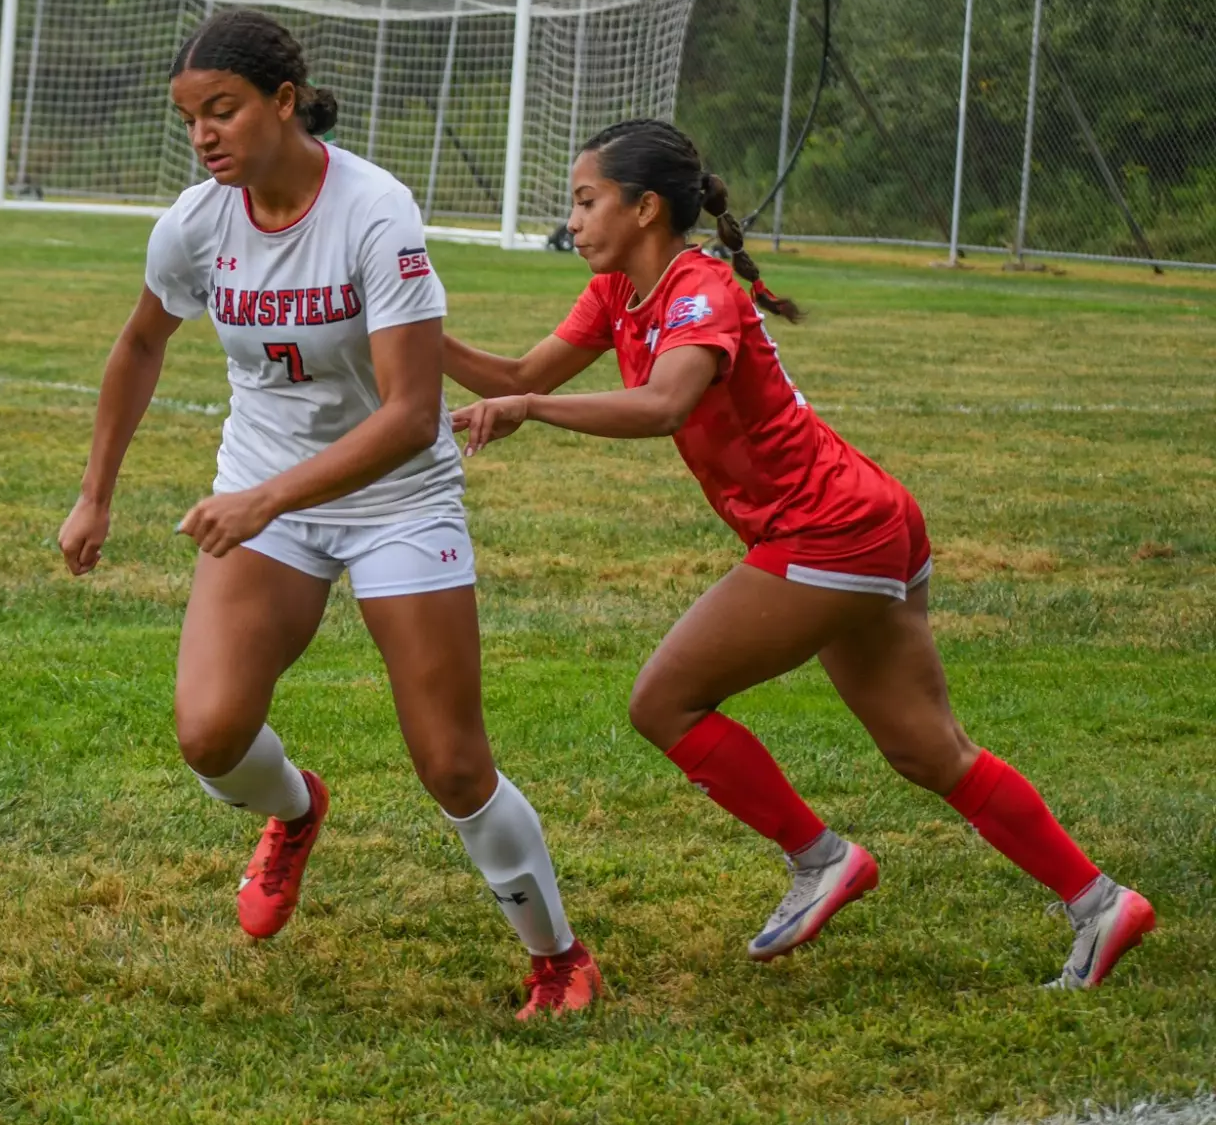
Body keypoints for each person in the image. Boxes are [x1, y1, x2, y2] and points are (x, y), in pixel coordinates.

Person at [447, 118, 1155, 989]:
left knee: (664, 702)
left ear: (645, 208)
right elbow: (519, 370)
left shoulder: (699, 287)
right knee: (928, 750)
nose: (575, 220)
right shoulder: (614, 294)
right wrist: (406, 327)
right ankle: (1100, 902)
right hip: (864, 518)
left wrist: (534, 410)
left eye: (587, 202)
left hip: (830, 531)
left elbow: (665, 403)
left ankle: (821, 858)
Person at [58, 9, 600, 1020]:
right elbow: (138, 346)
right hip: (269, 492)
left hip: (394, 499)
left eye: (220, 111)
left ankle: (558, 958)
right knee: (210, 735)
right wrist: (96, 495)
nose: (203, 136)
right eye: (188, 120)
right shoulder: (193, 221)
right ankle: (296, 812)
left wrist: (262, 498)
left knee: (449, 761)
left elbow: (406, 417)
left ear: (283, 101)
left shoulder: (373, 210)